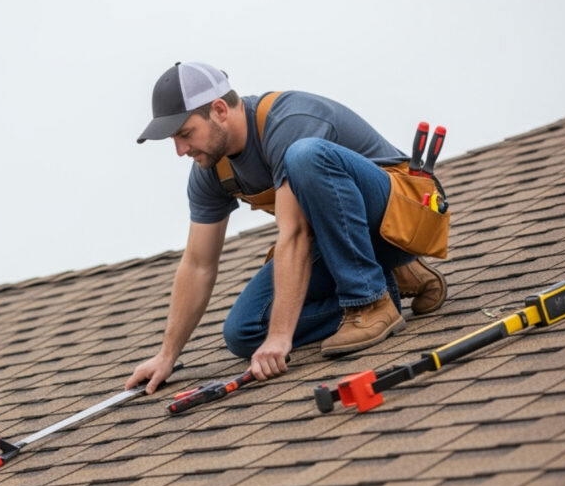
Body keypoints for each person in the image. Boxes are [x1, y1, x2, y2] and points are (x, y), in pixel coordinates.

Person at [125, 62, 446, 394]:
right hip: (341, 241)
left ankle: (369, 301)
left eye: (185, 133)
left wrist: (281, 337)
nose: (180, 150)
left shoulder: (288, 123)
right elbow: (197, 264)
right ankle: (386, 282)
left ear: (219, 110)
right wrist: (166, 356)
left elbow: (294, 235)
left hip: (404, 220)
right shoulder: (210, 169)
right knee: (244, 330)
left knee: (305, 155)